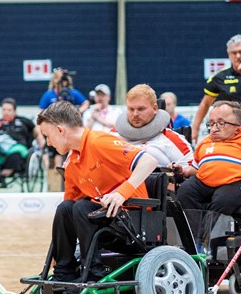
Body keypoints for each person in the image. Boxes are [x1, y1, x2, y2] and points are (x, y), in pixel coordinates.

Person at [36, 100, 158, 282]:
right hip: (106, 219)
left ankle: (94, 273)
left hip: (134, 222)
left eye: (48, 135)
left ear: (60, 130)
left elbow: (149, 162)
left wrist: (121, 193)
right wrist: (60, 251)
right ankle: (64, 272)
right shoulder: (71, 162)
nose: (48, 142)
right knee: (66, 208)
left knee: (82, 207)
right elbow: (68, 212)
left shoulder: (99, 142)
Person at [113, 85, 195, 180]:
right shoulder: (113, 135)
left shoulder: (173, 139)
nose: (135, 114)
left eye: (141, 109)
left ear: (155, 108)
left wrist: (180, 171)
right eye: (131, 109)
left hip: (153, 191)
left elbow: (193, 171)